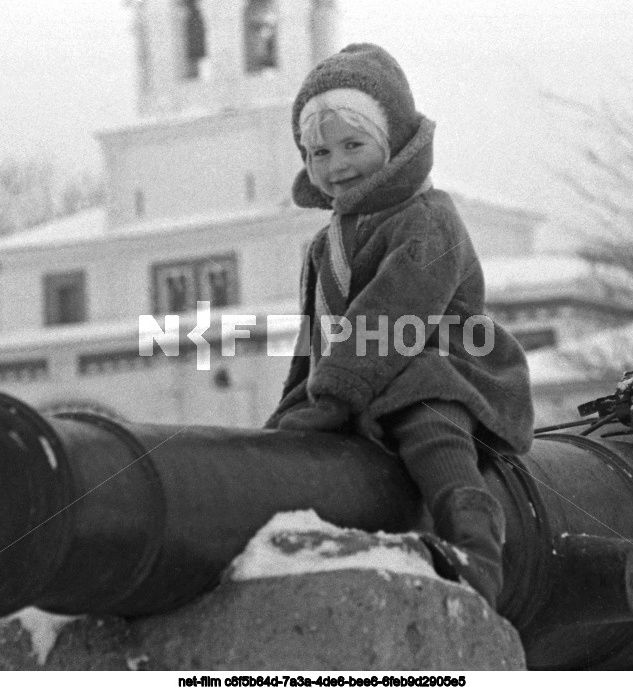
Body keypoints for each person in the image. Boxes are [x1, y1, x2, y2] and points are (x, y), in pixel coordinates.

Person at [265, 43, 534, 609]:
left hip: (446, 363)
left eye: (352, 144)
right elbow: (317, 337)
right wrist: (295, 404)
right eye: (317, 152)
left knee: (426, 418)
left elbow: (393, 315)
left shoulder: (428, 219)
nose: (335, 165)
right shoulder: (325, 245)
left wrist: (334, 394)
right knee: (294, 438)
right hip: (363, 375)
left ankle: (476, 548)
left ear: (395, 144)